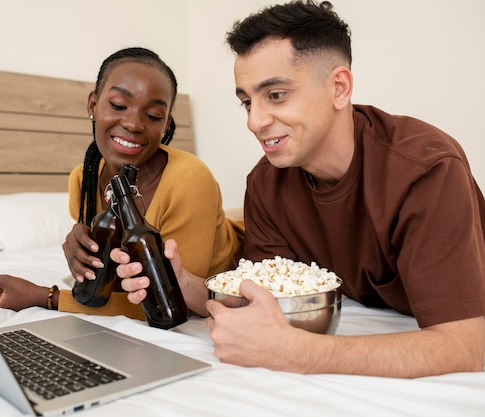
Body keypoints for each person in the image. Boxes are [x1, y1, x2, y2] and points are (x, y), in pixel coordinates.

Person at [114, 1, 485, 377]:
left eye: (275, 95)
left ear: (338, 88)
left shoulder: (425, 171)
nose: (255, 122)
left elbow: (466, 344)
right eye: (246, 102)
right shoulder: (266, 182)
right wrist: (183, 283)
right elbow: (261, 302)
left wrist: (303, 352)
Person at [0, 47, 243, 320]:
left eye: (152, 116)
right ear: (93, 104)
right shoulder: (83, 178)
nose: (133, 124)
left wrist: (47, 297)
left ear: (166, 125)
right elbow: (109, 282)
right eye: (118, 105)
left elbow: (172, 303)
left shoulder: (188, 179)